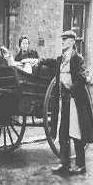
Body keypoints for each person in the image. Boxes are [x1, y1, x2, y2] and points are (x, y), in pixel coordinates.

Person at [38, 30, 93, 175]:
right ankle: (65, 164)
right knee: (63, 133)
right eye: (62, 39)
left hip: (75, 101)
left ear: (72, 42)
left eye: (65, 39)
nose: (62, 41)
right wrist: (40, 60)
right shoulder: (61, 59)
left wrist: (70, 88)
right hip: (63, 102)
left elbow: (81, 78)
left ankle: (81, 165)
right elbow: (51, 62)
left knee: (76, 133)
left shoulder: (77, 59)